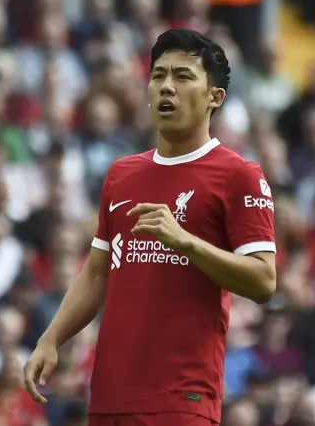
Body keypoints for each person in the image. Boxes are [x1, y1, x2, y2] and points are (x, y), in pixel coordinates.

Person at [23, 29, 277, 426]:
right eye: (158, 75)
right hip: (109, 395)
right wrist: (51, 338)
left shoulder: (239, 175)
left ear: (215, 97)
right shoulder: (122, 174)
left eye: (183, 76)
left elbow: (263, 280)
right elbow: (95, 273)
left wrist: (184, 241)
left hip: (180, 398)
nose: (166, 87)